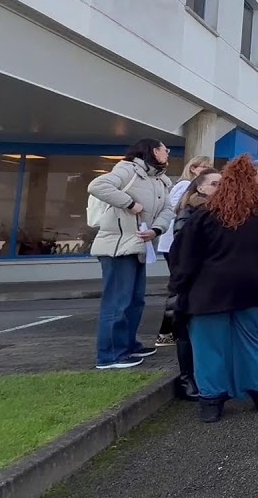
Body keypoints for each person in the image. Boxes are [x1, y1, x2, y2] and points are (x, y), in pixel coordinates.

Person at [169, 156, 258, 423]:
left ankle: (211, 403)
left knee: (209, 349)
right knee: (253, 344)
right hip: (253, 290)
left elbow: (184, 256)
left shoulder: (205, 214)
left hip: (207, 293)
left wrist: (178, 287)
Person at [87, 138, 176, 370]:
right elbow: (97, 186)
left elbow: (168, 209)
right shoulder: (128, 170)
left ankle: (128, 345)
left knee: (135, 301)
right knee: (118, 302)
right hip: (117, 247)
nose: (168, 153)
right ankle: (110, 355)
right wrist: (129, 203)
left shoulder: (160, 179)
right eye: (164, 149)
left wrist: (157, 229)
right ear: (153, 151)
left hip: (139, 245)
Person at [164, 167, 219, 400]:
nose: (219, 188)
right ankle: (187, 379)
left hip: (207, 281)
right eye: (214, 184)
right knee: (186, 330)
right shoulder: (190, 212)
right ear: (200, 187)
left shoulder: (213, 211)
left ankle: (199, 377)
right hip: (192, 281)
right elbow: (184, 250)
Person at [155, 154, 213, 348]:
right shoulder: (185, 186)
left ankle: (172, 330)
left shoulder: (185, 186)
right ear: (193, 168)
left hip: (176, 242)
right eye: (203, 167)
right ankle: (167, 331)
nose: (206, 170)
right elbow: (175, 210)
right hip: (176, 243)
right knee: (179, 288)